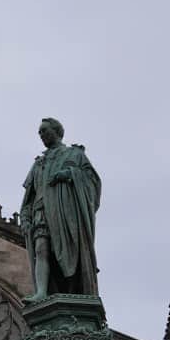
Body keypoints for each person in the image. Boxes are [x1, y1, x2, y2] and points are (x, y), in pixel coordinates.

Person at [20, 117, 102, 302]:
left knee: (68, 254)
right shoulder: (38, 164)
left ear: (57, 131)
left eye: (44, 131)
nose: (41, 135)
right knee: (41, 249)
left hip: (65, 214)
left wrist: (70, 174)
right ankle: (41, 292)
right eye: (39, 132)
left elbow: (93, 182)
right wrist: (25, 218)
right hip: (41, 211)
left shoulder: (74, 155)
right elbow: (29, 197)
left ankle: (73, 292)